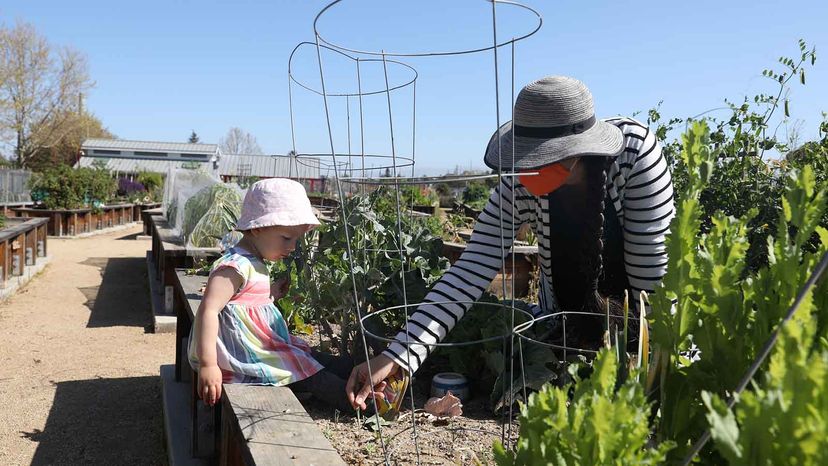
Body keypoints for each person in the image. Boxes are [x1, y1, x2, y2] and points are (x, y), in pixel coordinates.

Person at [347, 76, 675, 410]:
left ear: (574, 152)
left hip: (642, 323)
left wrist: (655, 372)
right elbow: (470, 270)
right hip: (566, 327)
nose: (524, 172)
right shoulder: (521, 179)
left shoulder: (633, 155)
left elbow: (654, 278)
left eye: (541, 157)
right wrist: (399, 355)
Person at [189, 178, 377, 413]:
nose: (291, 247)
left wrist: (273, 294)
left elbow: (244, 303)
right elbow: (209, 309)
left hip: (265, 349)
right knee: (309, 372)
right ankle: (364, 404)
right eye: (286, 238)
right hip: (248, 358)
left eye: (296, 239)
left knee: (311, 356)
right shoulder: (234, 266)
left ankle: (357, 373)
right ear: (257, 228)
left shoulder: (254, 262)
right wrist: (208, 364)